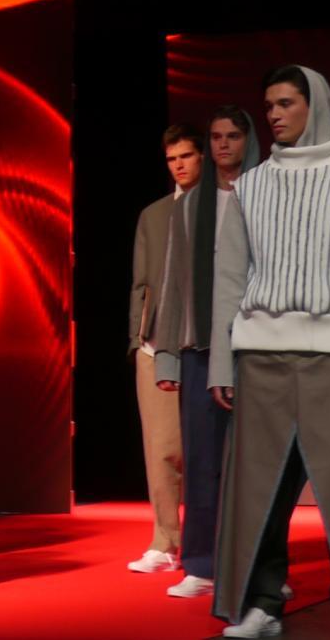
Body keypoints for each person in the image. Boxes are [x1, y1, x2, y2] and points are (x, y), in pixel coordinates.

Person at [210, 67, 330, 640]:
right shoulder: (250, 187)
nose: (273, 114)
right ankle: (261, 605)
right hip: (259, 359)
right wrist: (220, 362)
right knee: (256, 494)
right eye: (269, 104)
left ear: (315, 105)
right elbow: (229, 279)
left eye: (286, 103)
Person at [153, 107, 261, 598]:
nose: (223, 145)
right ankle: (200, 563)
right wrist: (167, 356)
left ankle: (260, 567)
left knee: (257, 462)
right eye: (216, 136)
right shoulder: (190, 206)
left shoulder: (266, 196)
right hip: (200, 346)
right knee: (200, 460)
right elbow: (173, 283)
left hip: (257, 346)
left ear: (247, 140)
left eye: (232, 136)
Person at [126, 124, 203, 573]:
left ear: (202, 157)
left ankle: (212, 545)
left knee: (209, 451)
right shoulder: (153, 215)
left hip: (206, 346)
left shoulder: (224, 207)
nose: (178, 165)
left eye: (186, 156)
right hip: (156, 345)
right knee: (161, 448)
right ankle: (164, 540)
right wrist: (137, 340)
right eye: (172, 158)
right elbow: (140, 282)